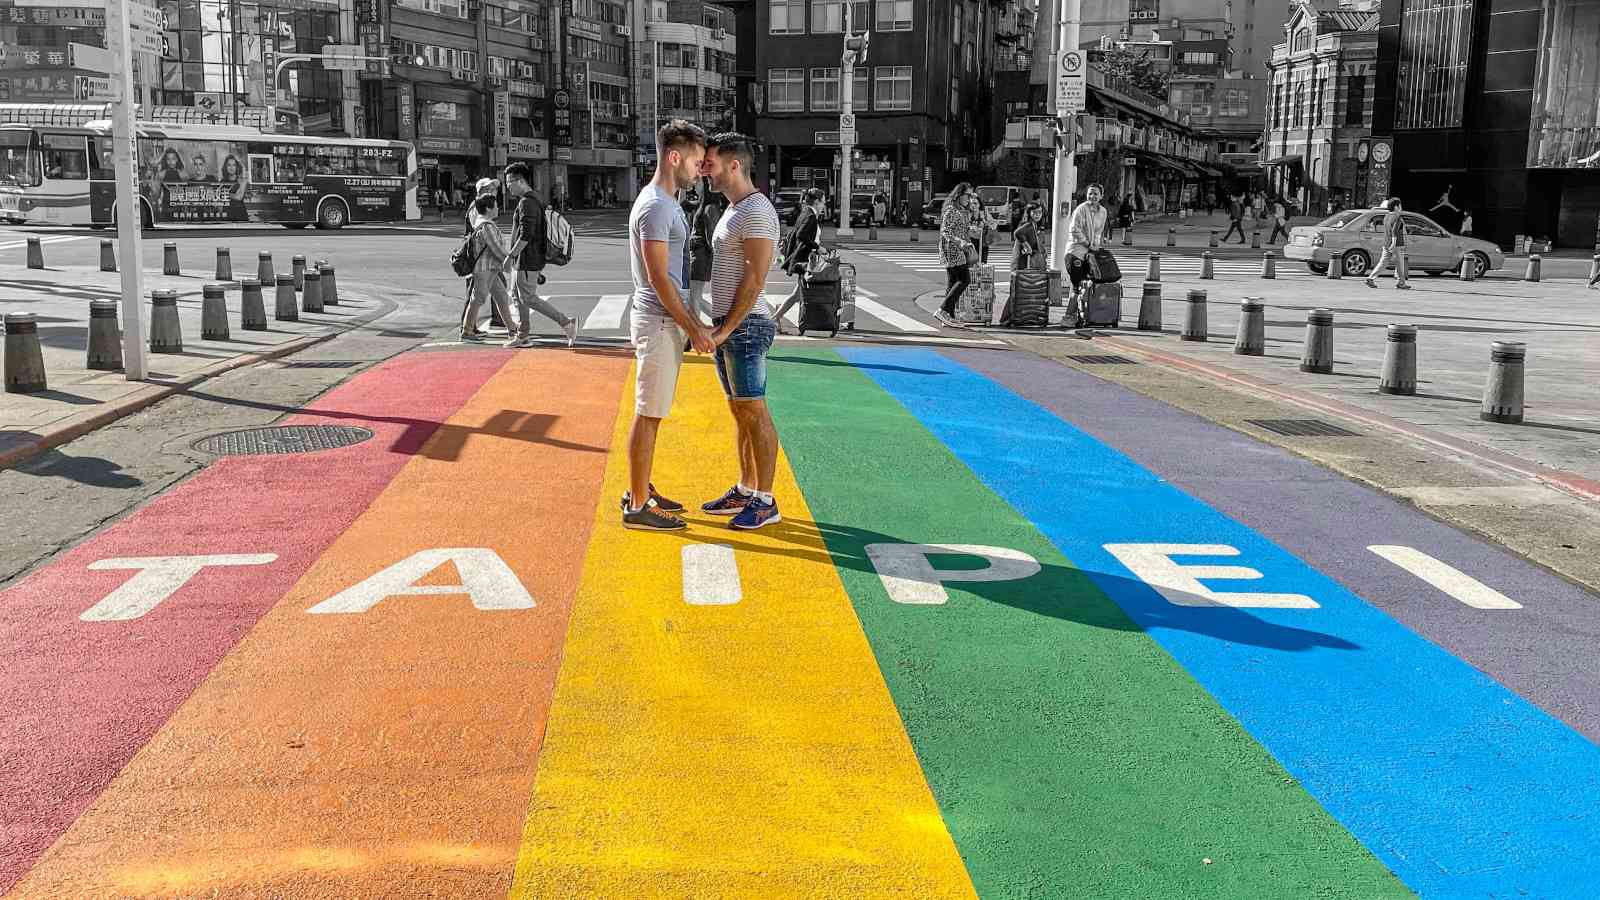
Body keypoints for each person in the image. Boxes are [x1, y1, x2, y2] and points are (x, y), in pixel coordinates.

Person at [621, 120, 715, 531]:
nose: (701, 169)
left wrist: (690, 323)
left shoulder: (666, 201)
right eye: (696, 161)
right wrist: (692, 327)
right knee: (648, 414)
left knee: (652, 412)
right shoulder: (657, 206)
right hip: (658, 321)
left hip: (663, 320)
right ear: (674, 157)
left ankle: (641, 487)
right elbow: (660, 278)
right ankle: (638, 504)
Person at [696, 132, 784, 530]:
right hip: (729, 326)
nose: (703, 171)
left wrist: (727, 328)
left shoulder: (756, 211)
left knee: (754, 409)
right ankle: (746, 488)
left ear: (734, 165)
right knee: (740, 411)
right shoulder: (734, 208)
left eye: (709, 164)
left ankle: (765, 500)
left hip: (745, 326)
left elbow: (755, 278)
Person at [501, 161, 579, 347]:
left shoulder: (527, 203)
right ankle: (522, 335)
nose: (507, 187)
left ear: (519, 181)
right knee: (518, 296)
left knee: (527, 297)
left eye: (509, 183)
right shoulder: (535, 198)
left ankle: (566, 323)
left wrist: (510, 256)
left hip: (528, 259)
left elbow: (526, 235)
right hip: (530, 258)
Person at [460, 178, 514, 340]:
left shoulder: (485, 221)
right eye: (490, 188)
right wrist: (509, 261)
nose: (494, 190)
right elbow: (495, 248)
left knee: (501, 297)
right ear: (488, 207)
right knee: (478, 298)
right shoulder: (485, 224)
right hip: (483, 267)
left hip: (491, 267)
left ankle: (512, 328)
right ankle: (467, 330)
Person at [772, 188, 824, 333]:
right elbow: (801, 235)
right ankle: (774, 319)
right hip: (804, 260)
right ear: (817, 202)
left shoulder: (806, 213)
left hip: (804, 259)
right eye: (823, 202)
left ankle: (777, 315)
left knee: (799, 294)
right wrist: (817, 248)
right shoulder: (810, 216)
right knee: (800, 294)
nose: (824, 205)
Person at [936, 182, 977, 327]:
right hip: (952, 249)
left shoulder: (961, 210)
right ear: (959, 195)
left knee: (953, 281)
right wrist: (961, 242)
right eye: (967, 195)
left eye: (971, 195)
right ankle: (943, 309)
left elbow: (963, 230)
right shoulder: (951, 210)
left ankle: (948, 316)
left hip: (958, 248)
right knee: (964, 279)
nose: (969, 198)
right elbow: (945, 232)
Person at [687, 177, 725, 321]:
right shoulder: (705, 206)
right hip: (698, 254)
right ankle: (719, 321)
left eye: (700, 184)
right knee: (693, 295)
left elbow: (712, 239)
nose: (696, 188)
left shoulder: (710, 208)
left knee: (694, 295)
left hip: (701, 255)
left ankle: (709, 323)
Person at [1065, 183, 1109, 307]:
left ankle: (1082, 316)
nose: (1092, 196)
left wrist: (1095, 246)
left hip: (1089, 255)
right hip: (1075, 252)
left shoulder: (1103, 212)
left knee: (1087, 286)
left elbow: (1098, 232)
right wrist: (1088, 244)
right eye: (1090, 193)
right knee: (1077, 286)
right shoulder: (1081, 209)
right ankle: (1069, 316)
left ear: (1101, 196)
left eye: (1096, 193)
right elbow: (1074, 229)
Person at [1364, 197, 1411, 290]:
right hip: (1396, 244)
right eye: (1400, 205)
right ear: (1396, 207)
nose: (1401, 207)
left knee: (1383, 262)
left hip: (1386, 242)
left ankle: (1371, 278)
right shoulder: (1398, 217)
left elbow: (1388, 230)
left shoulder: (1386, 216)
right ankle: (1401, 283)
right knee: (1400, 263)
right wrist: (1394, 244)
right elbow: (1394, 231)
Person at [1011, 202, 1043, 271]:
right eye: (1034, 212)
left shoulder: (1033, 224)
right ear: (1029, 213)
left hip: (1026, 261)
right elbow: (1017, 233)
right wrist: (1027, 246)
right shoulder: (1028, 224)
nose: (1037, 215)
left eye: (1040, 212)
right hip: (1024, 262)